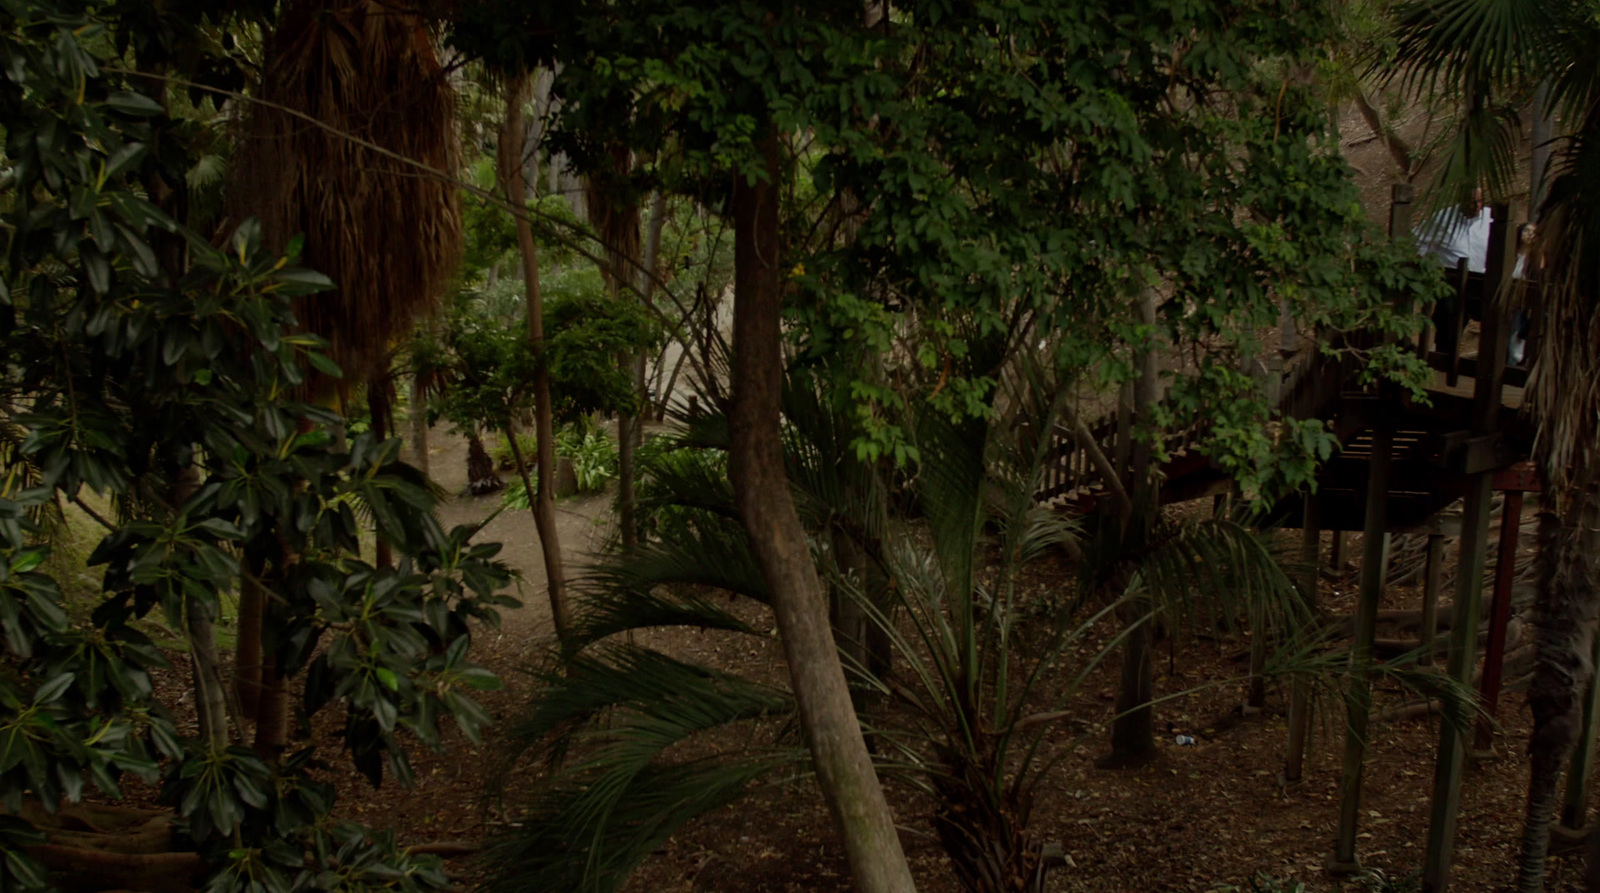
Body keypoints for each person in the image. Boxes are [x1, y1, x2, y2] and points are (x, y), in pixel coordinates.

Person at [1414, 188, 1492, 356]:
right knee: (1449, 316)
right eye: (1470, 202)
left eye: (1478, 201)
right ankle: (1443, 355)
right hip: (1451, 279)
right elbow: (1418, 240)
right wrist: (1429, 263)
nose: (1475, 206)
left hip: (1482, 280)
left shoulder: (1490, 219)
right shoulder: (1442, 218)